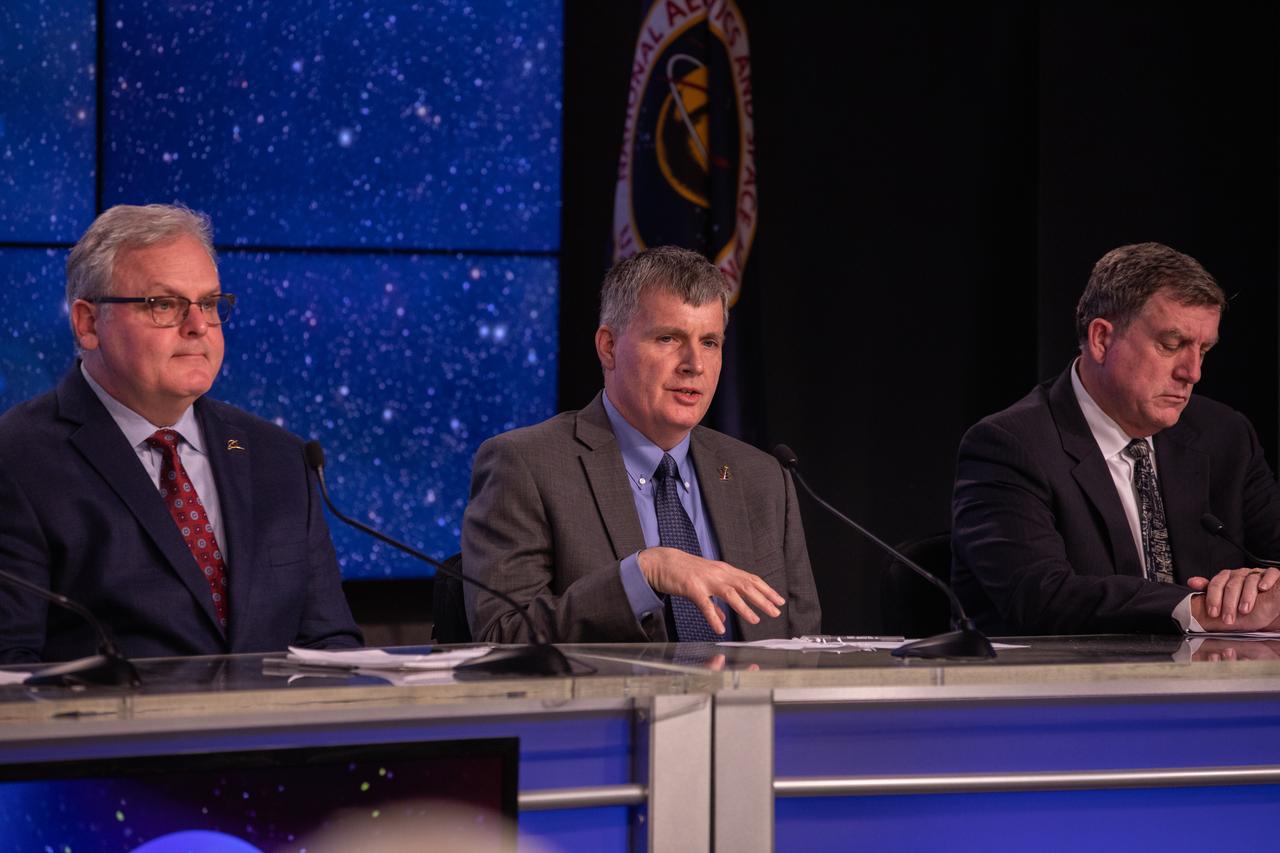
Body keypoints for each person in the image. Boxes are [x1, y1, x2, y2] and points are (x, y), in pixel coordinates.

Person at [0, 204, 362, 663]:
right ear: (89, 324)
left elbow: (330, 644)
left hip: (272, 733)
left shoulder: (282, 458)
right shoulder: (17, 459)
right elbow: (10, 666)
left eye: (209, 304)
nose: (198, 327)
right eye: (163, 304)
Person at [463, 246, 821, 642]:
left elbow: (802, 643)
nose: (694, 364)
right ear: (609, 347)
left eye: (710, 342)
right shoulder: (526, 465)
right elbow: (502, 637)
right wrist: (642, 574)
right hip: (612, 705)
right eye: (669, 338)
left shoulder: (762, 477)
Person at [952, 241, 1280, 635]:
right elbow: (1040, 595)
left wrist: (1264, 589)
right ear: (1102, 339)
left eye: (1203, 350)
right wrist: (1202, 610)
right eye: (1171, 345)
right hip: (1069, 691)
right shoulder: (1010, 445)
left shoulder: (1224, 435)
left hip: (1217, 689)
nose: (1192, 373)